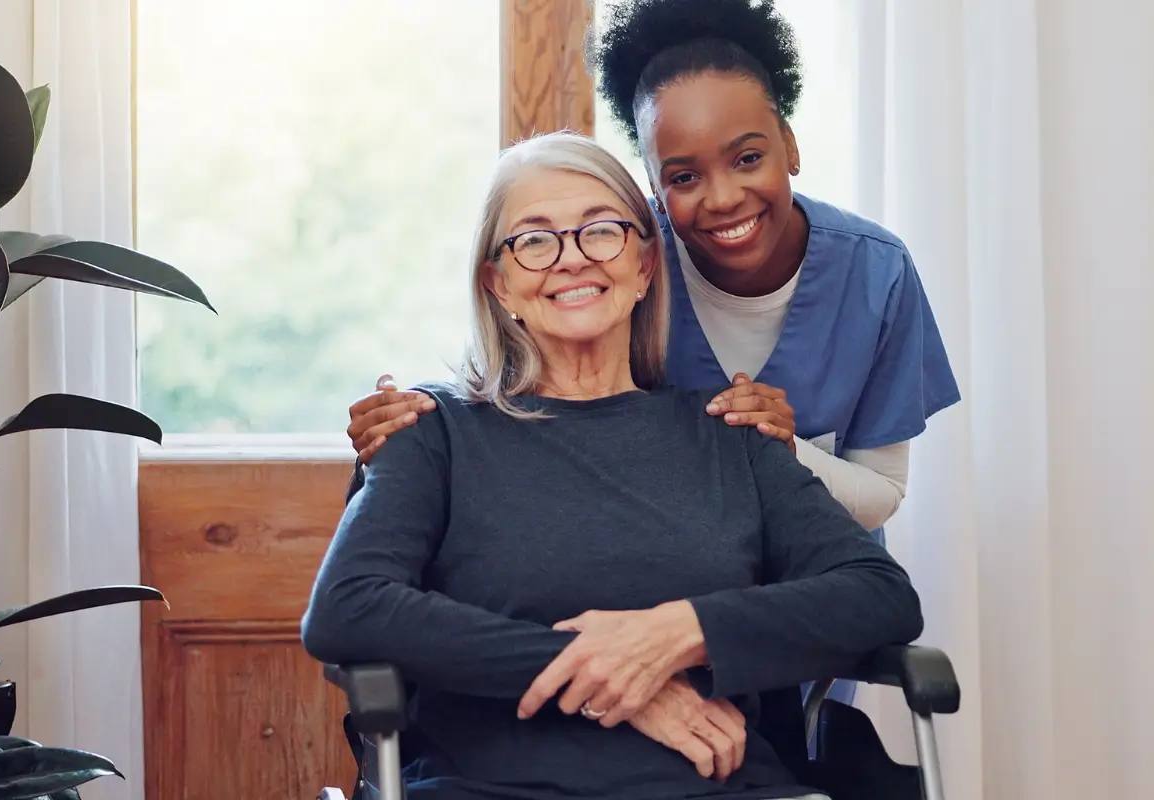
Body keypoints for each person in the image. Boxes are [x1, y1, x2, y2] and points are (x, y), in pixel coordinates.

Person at [344, 0, 958, 711]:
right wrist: (410, 428)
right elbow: (510, 398)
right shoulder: (603, 258)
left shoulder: (872, 278)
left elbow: (880, 526)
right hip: (547, 704)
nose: (722, 197)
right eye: (683, 176)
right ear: (654, 192)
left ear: (789, 143)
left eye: (748, 157)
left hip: (769, 632)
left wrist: (778, 455)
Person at [301, 132, 923, 800]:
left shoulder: (728, 434)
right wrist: (607, 673)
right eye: (534, 241)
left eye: (601, 231)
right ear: (498, 282)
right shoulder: (432, 431)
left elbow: (880, 596)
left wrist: (679, 634)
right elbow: (347, 608)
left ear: (646, 265)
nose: (570, 259)